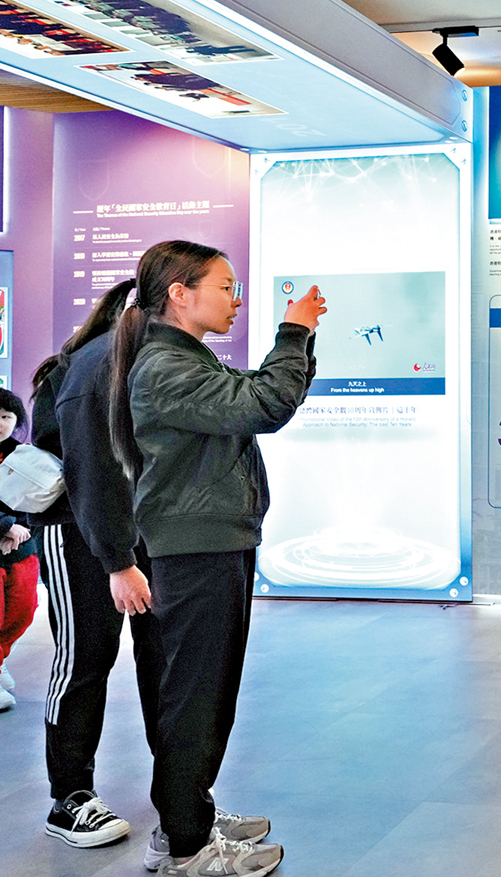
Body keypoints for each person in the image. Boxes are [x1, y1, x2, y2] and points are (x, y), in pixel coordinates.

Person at [108, 240, 324, 877]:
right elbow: (265, 405)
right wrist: (294, 333)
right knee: (196, 698)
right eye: (225, 287)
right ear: (180, 293)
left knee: (203, 693)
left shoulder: (183, 358)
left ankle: (187, 817)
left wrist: (301, 342)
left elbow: (261, 394)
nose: (236, 300)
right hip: (196, 549)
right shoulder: (164, 367)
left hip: (211, 542)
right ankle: (185, 845)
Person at [27, 279, 161, 848]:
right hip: (76, 534)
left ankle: (181, 796)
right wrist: (117, 559)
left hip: (138, 532)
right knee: (83, 660)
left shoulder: (144, 361)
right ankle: (69, 798)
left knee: (162, 662)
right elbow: (91, 472)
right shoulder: (86, 366)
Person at [0, 388, 40, 714]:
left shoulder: (24, 455)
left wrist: (20, 529)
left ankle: (0, 659)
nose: (0, 423)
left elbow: (39, 498)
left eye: (6, 416)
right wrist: (4, 526)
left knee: (23, 610)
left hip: (21, 548)